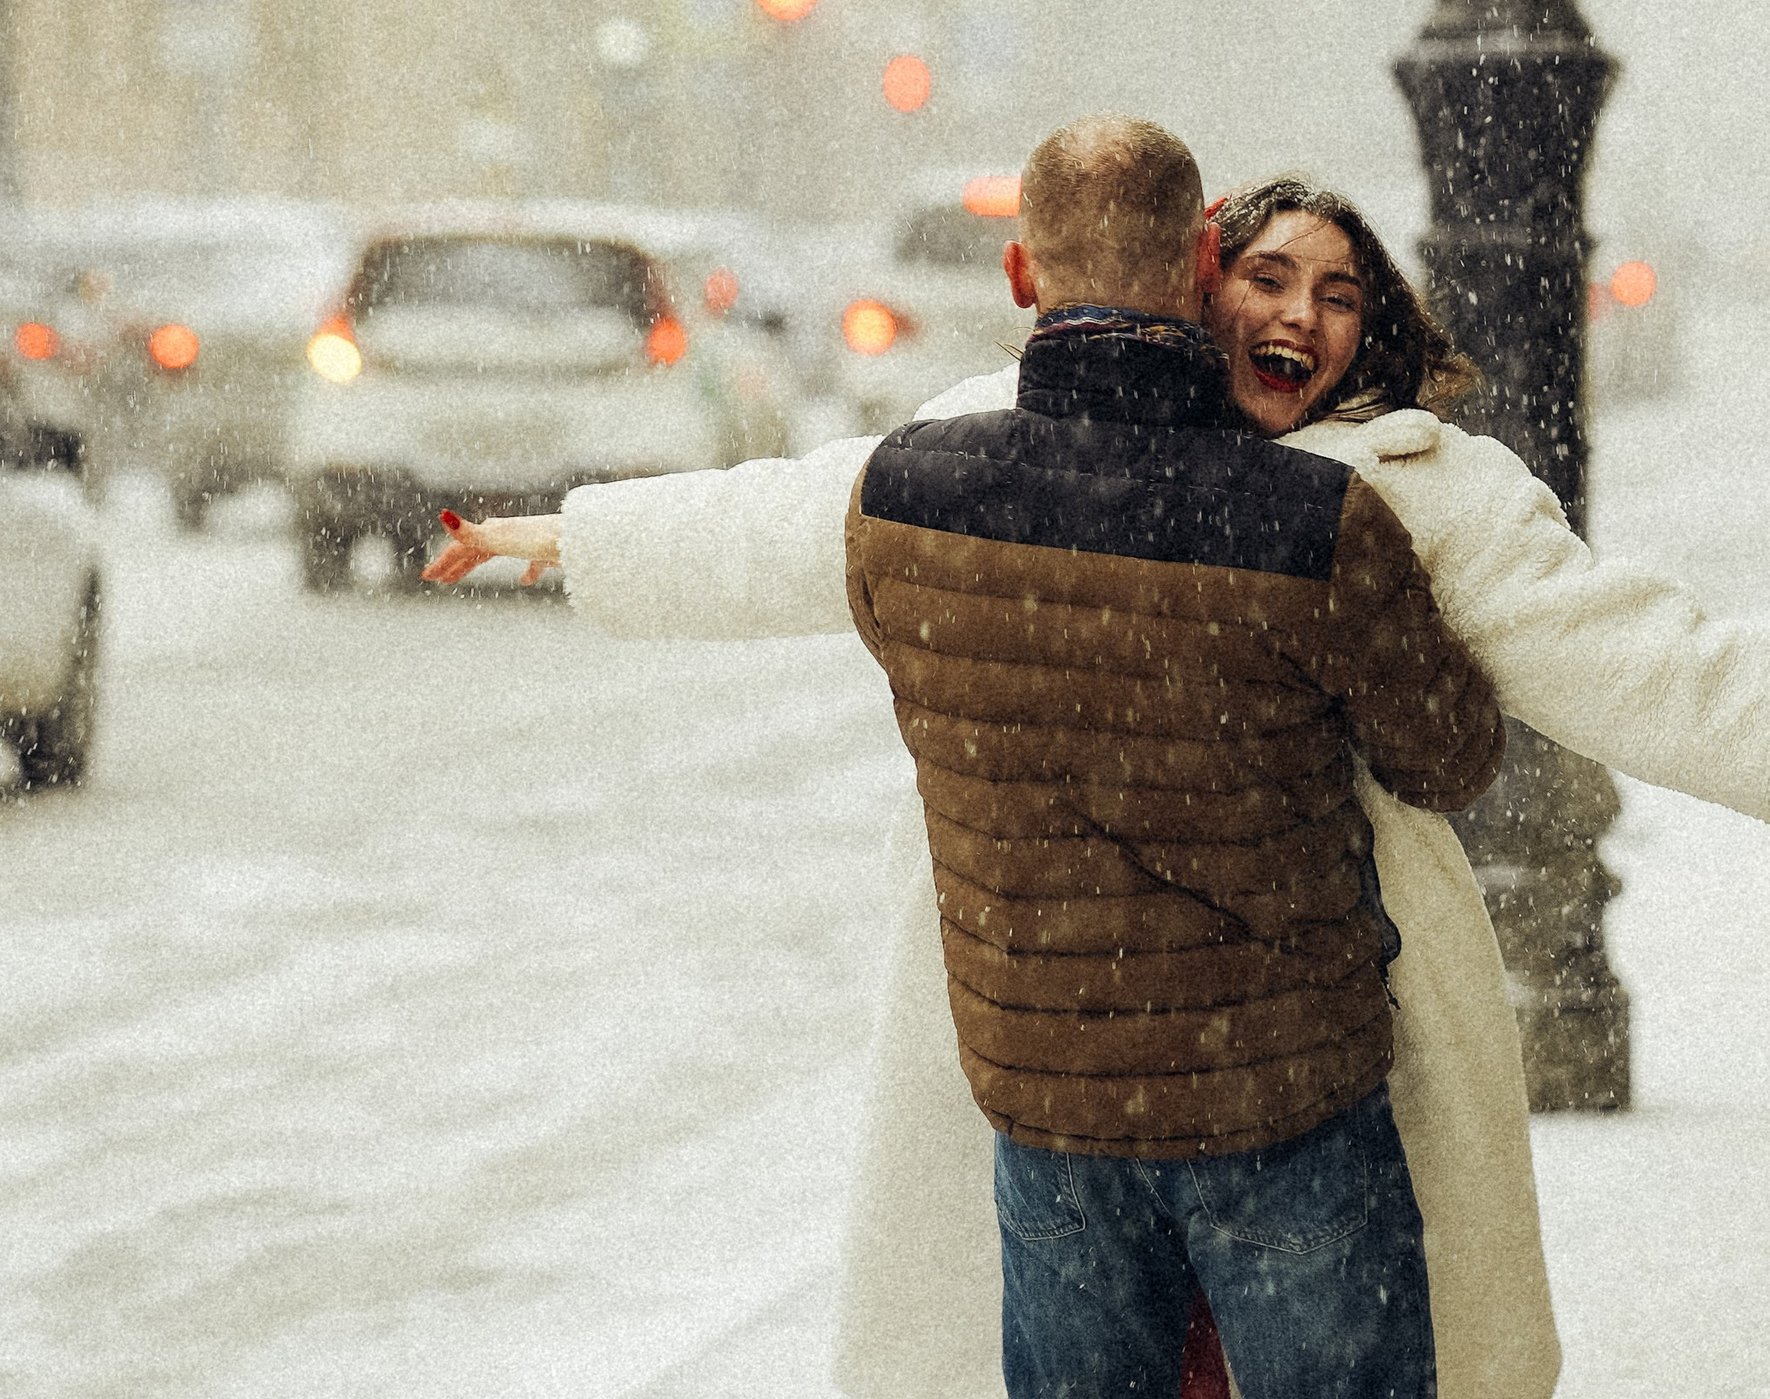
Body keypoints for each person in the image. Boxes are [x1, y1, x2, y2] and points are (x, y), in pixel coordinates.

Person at [431, 149, 1770, 1399]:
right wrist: (560, 537)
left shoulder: (1422, 492)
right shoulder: (1014, 444)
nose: (1298, 314)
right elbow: (791, 516)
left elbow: (1657, 666)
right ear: (1197, 286)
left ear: (1375, 333)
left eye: (1341, 293)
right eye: (1267, 276)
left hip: (1302, 1067)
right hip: (1086, 1068)